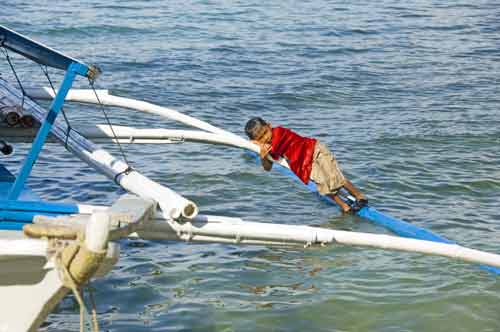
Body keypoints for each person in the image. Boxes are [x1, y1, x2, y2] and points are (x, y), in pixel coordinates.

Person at [244, 117, 367, 213]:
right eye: (261, 138)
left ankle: (359, 196)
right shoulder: (267, 149)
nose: (265, 138)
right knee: (324, 186)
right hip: (305, 164)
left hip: (315, 150)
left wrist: (259, 145)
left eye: (266, 133)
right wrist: (263, 156)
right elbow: (267, 168)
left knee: (335, 177)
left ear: (269, 126)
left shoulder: (279, 132)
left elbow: (276, 146)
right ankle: (344, 207)